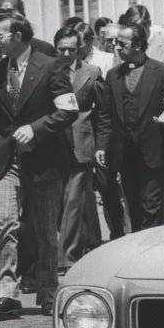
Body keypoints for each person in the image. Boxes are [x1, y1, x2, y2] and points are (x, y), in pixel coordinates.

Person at [0, 14, 77, 318]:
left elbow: (68, 111)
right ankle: (5, 292)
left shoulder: (50, 66)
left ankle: (48, 291)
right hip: (8, 159)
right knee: (4, 221)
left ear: (19, 36)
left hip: (44, 160)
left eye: (1, 35)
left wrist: (35, 129)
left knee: (46, 230)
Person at [96, 23, 164, 232]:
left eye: (122, 43)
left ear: (138, 45)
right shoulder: (113, 76)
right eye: (115, 42)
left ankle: (150, 252)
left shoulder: (161, 71)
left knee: (151, 206)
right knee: (133, 206)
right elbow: (105, 115)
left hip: (153, 151)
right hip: (125, 154)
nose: (116, 47)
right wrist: (101, 146)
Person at [52, 27, 103, 270]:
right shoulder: (46, 71)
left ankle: (67, 257)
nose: (66, 53)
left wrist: (101, 145)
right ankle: (84, 243)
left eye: (71, 49)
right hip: (53, 143)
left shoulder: (92, 72)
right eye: (61, 49)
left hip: (81, 144)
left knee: (73, 201)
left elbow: (103, 113)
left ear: (79, 48)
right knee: (64, 201)